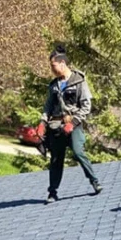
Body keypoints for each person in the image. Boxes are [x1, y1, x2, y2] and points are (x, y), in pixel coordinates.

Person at [35, 47, 101, 204]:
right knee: (56, 160)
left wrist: (74, 123)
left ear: (62, 63)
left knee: (79, 153)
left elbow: (86, 106)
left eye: (53, 65)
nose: (52, 69)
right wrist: (42, 123)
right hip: (56, 127)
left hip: (73, 126)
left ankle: (95, 181)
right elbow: (48, 107)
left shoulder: (79, 81)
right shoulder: (53, 86)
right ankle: (52, 192)